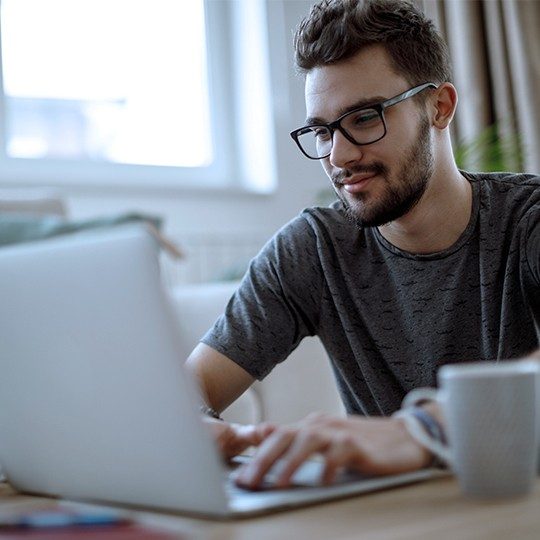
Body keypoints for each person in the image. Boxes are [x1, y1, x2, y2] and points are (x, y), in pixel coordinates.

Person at [186, 0, 540, 489]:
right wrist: (190, 426)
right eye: (322, 130)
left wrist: (423, 430)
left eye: (365, 118)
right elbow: (191, 386)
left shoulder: (528, 222)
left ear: (439, 107)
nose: (340, 155)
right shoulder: (313, 250)